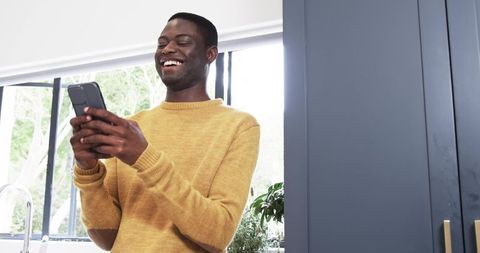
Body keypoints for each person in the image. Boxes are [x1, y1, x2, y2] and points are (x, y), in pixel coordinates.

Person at [69, 12, 260, 253]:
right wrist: (88, 171)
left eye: (183, 42)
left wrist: (144, 158)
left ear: (210, 54)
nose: (167, 49)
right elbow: (107, 238)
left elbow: (218, 234)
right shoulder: (130, 128)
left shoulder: (239, 126)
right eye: (162, 43)